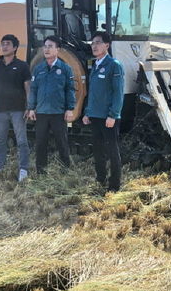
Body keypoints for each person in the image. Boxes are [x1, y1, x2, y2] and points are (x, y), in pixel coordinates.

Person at [0, 34, 32, 182]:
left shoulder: (23, 66)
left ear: (15, 47)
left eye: (8, 44)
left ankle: (23, 169)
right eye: (2, 43)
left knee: (22, 140)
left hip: (18, 110)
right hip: (0, 110)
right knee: (0, 140)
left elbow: (28, 88)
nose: (4, 46)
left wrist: (29, 107)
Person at [82, 31, 124, 192]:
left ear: (107, 45)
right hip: (95, 116)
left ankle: (114, 185)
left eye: (98, 42)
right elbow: (92, 93)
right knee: (98, 150)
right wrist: (87, 112)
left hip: (108, 117)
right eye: (92, 43)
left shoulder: (114, 65)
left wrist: (113, 115)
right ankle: (100, 179)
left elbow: (118, 93)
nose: (94, 46)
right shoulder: (95, 65)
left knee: (112, 151)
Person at [27, 35, 75, 174]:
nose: (47, 49)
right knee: (41, 143)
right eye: (45, 46)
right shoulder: (38, 69)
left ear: (57, 50)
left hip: (58, 113)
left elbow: (70, 89)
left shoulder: (65, 68)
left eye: (50, 46)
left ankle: (65, 171)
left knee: (62, 143)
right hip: (41, 112)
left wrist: (69, 109)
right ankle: (41, 171)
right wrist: (31, 108)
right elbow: (34, 89)